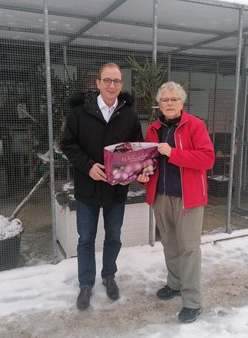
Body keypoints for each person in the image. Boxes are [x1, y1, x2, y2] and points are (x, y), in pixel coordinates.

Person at [61, 63, 143, 310]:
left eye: (117, 81)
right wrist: (88, 166)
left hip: (116, 190)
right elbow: (68, 145)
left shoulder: (128, 114)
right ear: (97, 83)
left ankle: (109, 275)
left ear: (121, 84)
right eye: (107, 80)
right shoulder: (79, 112)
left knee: (114, 235)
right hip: (88, 188)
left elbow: (136, 147)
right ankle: (86, 284)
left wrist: (132, 172)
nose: (112, 86)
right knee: (86, 238)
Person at [137, 81, 215, 323]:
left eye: (174, 99)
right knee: (169, 244)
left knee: (188, 248)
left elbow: (207, 159)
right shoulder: (154, 128)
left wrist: (173, 153)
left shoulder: (195, 125)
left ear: (182, 103)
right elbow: (149, 162)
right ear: (159, 104)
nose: (169, 104)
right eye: (164, 100)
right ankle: (175, 284)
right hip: (160, 197)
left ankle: (193, 302)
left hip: (188, 198)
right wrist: (142, 176)